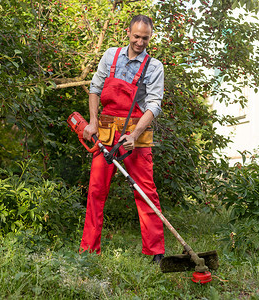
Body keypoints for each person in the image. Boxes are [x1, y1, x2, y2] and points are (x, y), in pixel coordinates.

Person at [80, 15, 165, 263]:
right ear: (128, 32)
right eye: (136, 36)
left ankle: (155, 252)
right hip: (105, 130)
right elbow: (95, 89)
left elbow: (154, 105)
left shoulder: (154, 66)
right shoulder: (110, 56)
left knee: (145, 190)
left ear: (151, 37)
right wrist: (93, 122)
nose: (140, 42)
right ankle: (89, 250)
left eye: (145, 38)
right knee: (96, 189)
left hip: (135, 131)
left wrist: (135, 134)